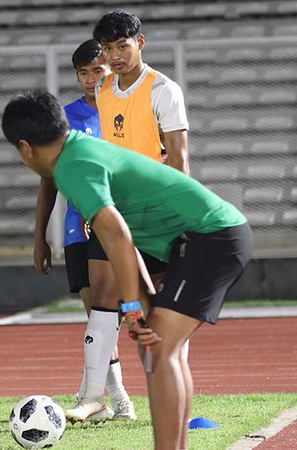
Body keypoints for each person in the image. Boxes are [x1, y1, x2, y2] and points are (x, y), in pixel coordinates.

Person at [2, 90, 251, 450]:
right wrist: (144, 301)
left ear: (25, 147)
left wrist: (132, 309)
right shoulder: (78, 151)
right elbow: (127, 239)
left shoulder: (72, 168)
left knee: (161, 351)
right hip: (192, 240)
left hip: (212, 237)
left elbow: (117, 236)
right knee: (160, 349)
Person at [65, 9, 192, 423]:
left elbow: (179, 160)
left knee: (157, 308)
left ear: (141, 42)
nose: (115, 55)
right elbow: (106, 155)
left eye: (122, 45)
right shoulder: (104, 90)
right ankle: (95, 396)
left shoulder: (163, 90)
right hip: (113, 210)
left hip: (155, 213)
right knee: (102, 297)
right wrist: (95, 202)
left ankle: (167, 387)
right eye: (108, 48)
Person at [33, 39, 134, 421]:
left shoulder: (125, 110)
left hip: (123, 225)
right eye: (84, 73)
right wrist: (40, 234)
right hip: (80, 229)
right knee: (99, 316)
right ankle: (109, 397)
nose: (92, 79)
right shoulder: (66, 117)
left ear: (110, 67)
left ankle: (99, 396)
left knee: (112, 317)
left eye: (98, 71)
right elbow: (49, 179)